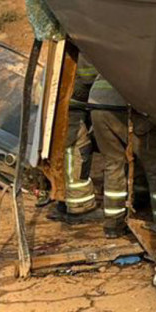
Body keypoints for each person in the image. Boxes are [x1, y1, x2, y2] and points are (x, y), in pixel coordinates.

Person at [87, 71, 156, 238]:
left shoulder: (116, 47)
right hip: (131, 106)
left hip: (98, 104)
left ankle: (113, 224)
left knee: (114, 164)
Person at [50, 56, 98, 222]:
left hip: (60, 107)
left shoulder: (59, 52)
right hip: (68, 110)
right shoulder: (83, 48)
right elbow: (88, 77)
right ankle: (78, 207)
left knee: (65, 157)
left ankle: (63, 203)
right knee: (78, 153)